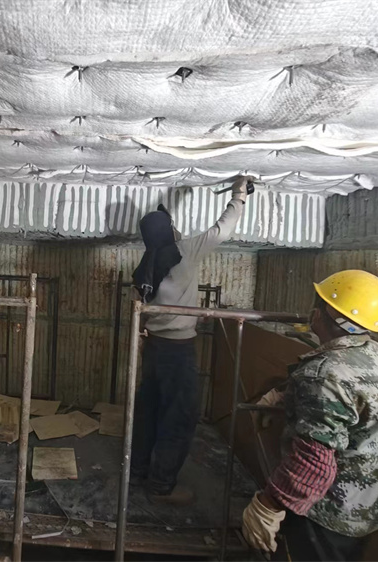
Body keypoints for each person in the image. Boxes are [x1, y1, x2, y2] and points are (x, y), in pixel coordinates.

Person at [242, 270, 378, 561]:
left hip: (323, 515)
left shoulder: (322, 374)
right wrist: (284, 394)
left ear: (320, 314)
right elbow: (347, 392)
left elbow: (313, 464)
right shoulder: (376, 355)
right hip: (366, 508)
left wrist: (267, 506)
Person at [130, 175, 252, 504]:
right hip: (178, 350)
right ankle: (161, 486)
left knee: (149, 410)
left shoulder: (143, 266)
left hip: (153, 348)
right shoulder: (184, 251)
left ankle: (138, 472)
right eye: (172, 225)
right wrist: (239, 195)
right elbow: (221, 229)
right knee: (179, 416)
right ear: (169, 231)